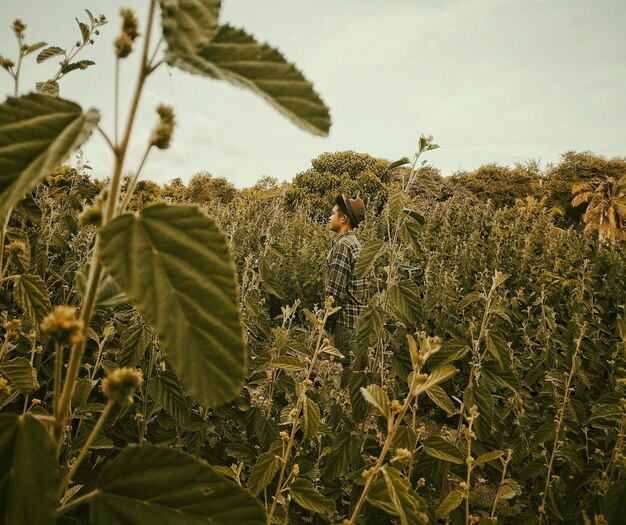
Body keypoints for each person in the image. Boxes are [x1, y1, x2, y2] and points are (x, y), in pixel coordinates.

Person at [325, 194, 369, 365]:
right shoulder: (354, 242)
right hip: (356, 320)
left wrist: (326, 324)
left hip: (345, 322)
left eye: (333, 213)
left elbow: (335, 293)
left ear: (343, 218)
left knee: (347, 373)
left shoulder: (343, 246)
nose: (329, 217)